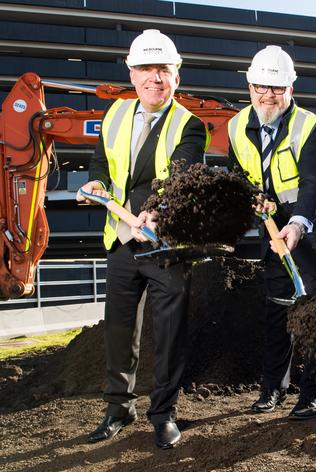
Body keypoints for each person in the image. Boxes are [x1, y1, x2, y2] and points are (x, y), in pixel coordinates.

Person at [76, 29, 208, 448]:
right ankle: (118, 408)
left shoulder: (190, 125)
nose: (155, 78)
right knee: (117, 330)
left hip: (164, 244)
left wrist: (154, 210)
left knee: (168, 332)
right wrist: (96, 183)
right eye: (147, 69)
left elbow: (182, 177)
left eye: (164, 70)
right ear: (131, 74)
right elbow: (100, 161)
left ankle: (164, 413)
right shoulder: (115, 114)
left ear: (177, 76)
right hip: (120, 241)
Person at [227, 45, 316, 420]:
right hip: (273, 229)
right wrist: (252, 197)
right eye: (261, 87)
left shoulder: (311, 126)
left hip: (313, 226)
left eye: (276, 88)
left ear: (291, 89)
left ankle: (312, 393)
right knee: (277, 311)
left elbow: (312, 183)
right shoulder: (236, 124)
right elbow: (240, 175)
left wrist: (297, 224)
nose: (268, 95)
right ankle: (273, 386)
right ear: (249, 86)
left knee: (313, 313)